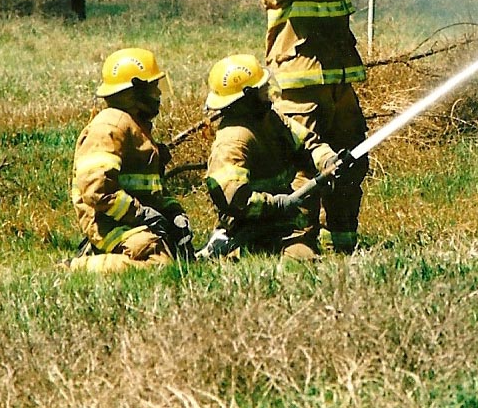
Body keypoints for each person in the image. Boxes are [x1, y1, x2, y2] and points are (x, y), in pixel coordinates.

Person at [259, 0, 383, 254]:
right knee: (304, 166)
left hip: (340, 86)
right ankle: (300, 245)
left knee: (350, 161)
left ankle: (341, 241)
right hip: (299, 88)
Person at [201, 53, 341, 260]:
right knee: (300, 260)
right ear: (247, 97)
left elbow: (308, 143)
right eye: (261, 89)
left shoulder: (270, 119)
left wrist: (328, 159)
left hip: (282, 223)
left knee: (303, 256)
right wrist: (277, 204)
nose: (267, 93)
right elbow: (233, 201)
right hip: (251, 228)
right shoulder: (233, 140)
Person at [68, 47, 192, 273]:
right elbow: (97, 192)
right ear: (135, 90)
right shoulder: (109, 127)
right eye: (153, 88)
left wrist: (174, 213)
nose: (158, 94)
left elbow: (150, 190)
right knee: (158, 264)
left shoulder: (135, 126)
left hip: (130, 220)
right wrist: (141, 214)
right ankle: (80, 266)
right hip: (109, 224)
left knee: (181, 258)